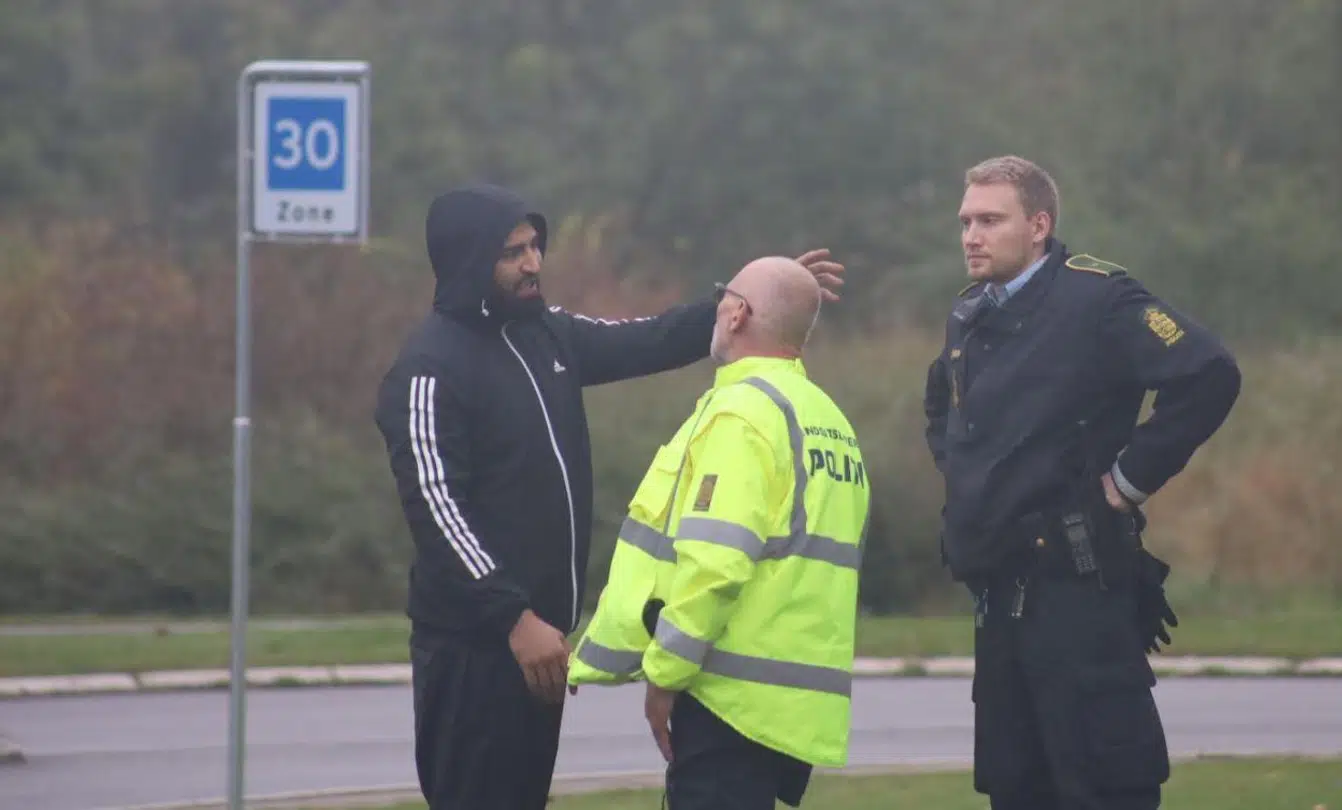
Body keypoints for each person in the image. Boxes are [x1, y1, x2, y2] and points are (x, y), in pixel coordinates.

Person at [372, 184, 845, 810]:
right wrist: (513, 617)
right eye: (513, 252)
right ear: (467, 260)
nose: (534, 263)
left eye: (536, 246)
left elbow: (648, 338)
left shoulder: (548, 336)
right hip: (478, 648)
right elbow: (438, 511)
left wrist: (753, 301)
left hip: (542, 649)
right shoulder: (430, 368)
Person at [923, 156, 1242, 810]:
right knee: (1017, 789)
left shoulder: (1096, 299)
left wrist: (1127, 481)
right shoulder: (970, 315)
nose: (971, 236)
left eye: (990, 220)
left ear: (1038, 225)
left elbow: (1208, 374)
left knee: (1102, 787)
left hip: (1078, 594)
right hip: (1000, 604)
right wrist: (971, 484)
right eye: (965, 221)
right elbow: (943, 407)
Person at [567, 256, 871, 809]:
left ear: (736, 314)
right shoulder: (827, 419)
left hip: (725, 700)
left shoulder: (742, 415)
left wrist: (663, 677)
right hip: (786, 708)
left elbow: (716, 565)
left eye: (722, 297)